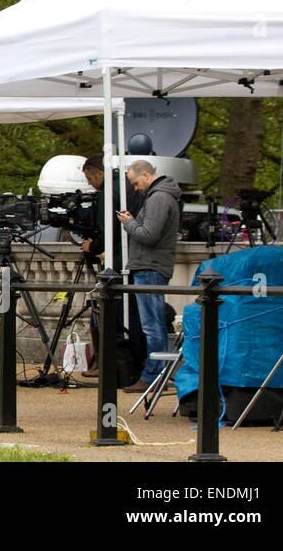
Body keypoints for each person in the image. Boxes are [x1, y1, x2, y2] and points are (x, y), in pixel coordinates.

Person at [74, 156, 144, 379]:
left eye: (89, 178)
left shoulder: (109, 192)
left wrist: (92, 246)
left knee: (118, 311)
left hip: (122, 259)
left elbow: (109, 231)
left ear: (99, 174)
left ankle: (120, 367)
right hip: (134, 255)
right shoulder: (126, 188)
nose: (90, 184)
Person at [117, 160, 182, 393]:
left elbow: (149, 234)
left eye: (135, 183)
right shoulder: (163, 197)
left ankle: (153, 375)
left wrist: (129, 223)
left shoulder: (158, 198)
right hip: (152, 266)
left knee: (151, 325)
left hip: (149, 267)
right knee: (153, 324)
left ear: (146, 175)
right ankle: (157, 373)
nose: (135, 188)